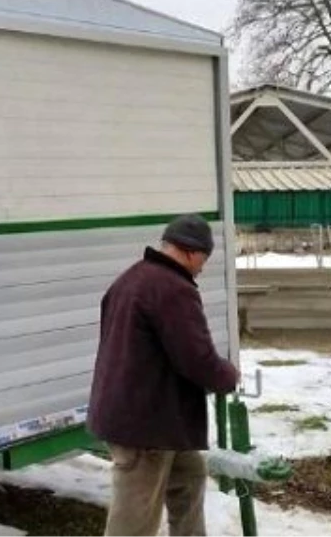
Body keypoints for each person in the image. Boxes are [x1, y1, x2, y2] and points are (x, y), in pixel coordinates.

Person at [87, 214, 240, 537]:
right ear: (190, 252)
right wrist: (228, 376)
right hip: (145, 426)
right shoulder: (173, 289)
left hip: (156, 418)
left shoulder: (131, 278)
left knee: (189, 477)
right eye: (204, 258)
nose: (203, 267)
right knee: (134, 520)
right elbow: (195, 359)